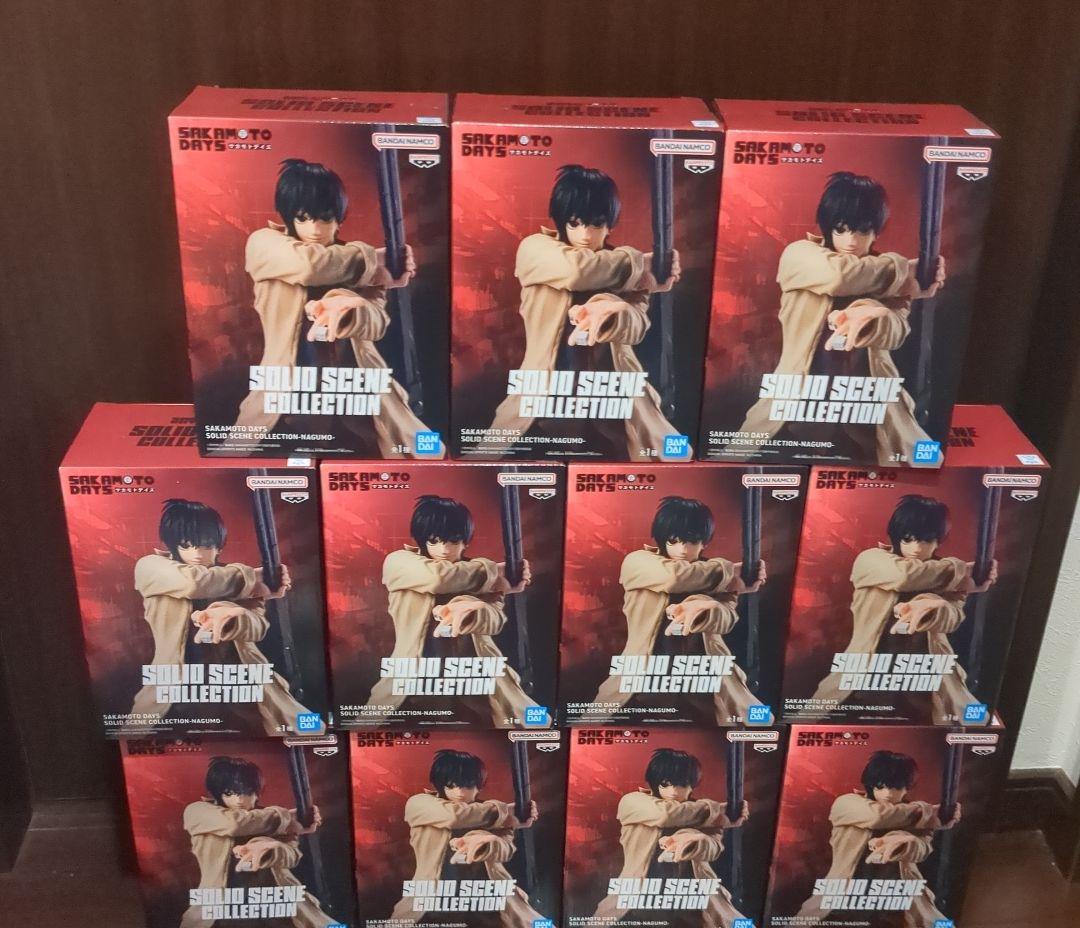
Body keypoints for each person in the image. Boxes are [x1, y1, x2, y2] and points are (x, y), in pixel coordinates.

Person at [236, 158, 441, 456]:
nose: (315, 229)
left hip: (359, 398)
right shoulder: (265, 243)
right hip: (285, 398)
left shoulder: (361, 263)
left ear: (339, 218)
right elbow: (308, 266)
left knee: (427, 455)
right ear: (289, 216)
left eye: (325, 218)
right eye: (303, 218)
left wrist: (351, 305)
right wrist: (377, 260)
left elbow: (377, 322)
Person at [738, 171, 946, 464]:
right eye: (841, 229)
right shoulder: (800, 254)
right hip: (795, 408)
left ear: (876, 231)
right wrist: (904, 270)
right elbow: (838, 276)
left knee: (926, 464)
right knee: (739, 460)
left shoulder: (889, 279)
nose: (851, 241)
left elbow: (896, 331)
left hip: (870, 413)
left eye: (862, 231)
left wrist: (873, 313)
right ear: (827, 227)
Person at [482, 164, 686, 459]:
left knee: (670, 458)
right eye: (575, 223)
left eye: (596, 224)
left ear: (610, 224)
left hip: (613, 403)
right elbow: (576, 270)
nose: (586, 235)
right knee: (488, 460)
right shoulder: (536, 249)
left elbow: (637, 325)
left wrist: (613, 310)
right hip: (543, 400)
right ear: (561, 221)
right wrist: (642, 265)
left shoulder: (627, 271)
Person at [130, 498, 314, 735]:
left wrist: (234, 615)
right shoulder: (151, 567)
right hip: (175, 689)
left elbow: (257, 626)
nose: (197, 554)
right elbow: (193, 582)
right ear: (173, 545)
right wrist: (255, 577)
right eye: (186, 545)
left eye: (206, 546)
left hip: (242, 687)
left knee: (306, 732)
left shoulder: (237, 578)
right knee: (138, 737)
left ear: (219, 546)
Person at [811, 494, 997, 723]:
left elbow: (953, 618)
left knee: (977, 725)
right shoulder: (871, 560)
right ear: (897, 536)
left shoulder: (949, 578)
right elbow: (904, 576)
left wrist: (934, 605)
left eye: (926, 540)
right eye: (908, 539)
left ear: (939, 540)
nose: (916, 548)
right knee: (814, 720)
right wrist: (962, 571)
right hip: (864, 676)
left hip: (926, 681)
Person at [365, 495, 537, 726]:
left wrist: (473, 609)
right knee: (368, 728)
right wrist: (495, 572)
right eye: (434, 541)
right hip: (413, 682)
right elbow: (437, 578)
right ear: (422, 540)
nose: (444, 549)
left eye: (453, 541)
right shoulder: (399, 562)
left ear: (466, 541)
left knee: (533, 726)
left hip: (478, 683)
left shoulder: (480, 574)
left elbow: (495, 619)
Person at [593, 496, 766, 723]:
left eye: (692, 541)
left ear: (704, 542)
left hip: (706, 685)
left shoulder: (720, 578)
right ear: (662, 539)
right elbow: (673, 577)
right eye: (673, 541)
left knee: (760, 724)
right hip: (643, 683)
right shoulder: (638, 562)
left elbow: (727, 618)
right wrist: (730, 572)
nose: (682, 549)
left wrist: (705, 608)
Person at [178, 755, 344, 928]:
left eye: (246, 792)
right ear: (218, 793)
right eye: (229, 793)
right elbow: (234, 824)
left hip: (279, 908)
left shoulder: (272, 820)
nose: (239, 799)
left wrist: (270, 847)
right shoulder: (198, 811)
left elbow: (292, 855)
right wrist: (287, 818)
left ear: (257, 793)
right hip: (218, 912)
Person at [794, 749, 960, 928]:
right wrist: (929, 812)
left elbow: (922, 849)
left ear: (907, 787)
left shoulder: (920, 819)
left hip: (897, 900)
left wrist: (903, 842)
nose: (888, 793)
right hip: (842, 895)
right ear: (870, 785)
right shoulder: (846, 803)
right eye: (880, 787)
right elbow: (876, 816)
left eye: (896, 787)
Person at [387, 748, 545, 928]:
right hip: (429, 904)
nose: (460, 792)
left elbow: (505, 849)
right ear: (440, 784)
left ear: (479, 786)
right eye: (451, 785)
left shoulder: (495, 813)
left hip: (490, 905)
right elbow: (453, 816)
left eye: (467, 786)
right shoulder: (419, 803)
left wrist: (486, 841)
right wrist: (505, 812)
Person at [591, 748, 749, 928]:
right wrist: (720, 811)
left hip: (693, 903)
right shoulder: (633, 801)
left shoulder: (707, 817)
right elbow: (665, 814)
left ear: (692, 785)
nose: (673, 791)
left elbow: (713, 848)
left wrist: (693, 840)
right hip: (635, 901)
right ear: (655, 782)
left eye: (682, 784)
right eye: (665, 784)